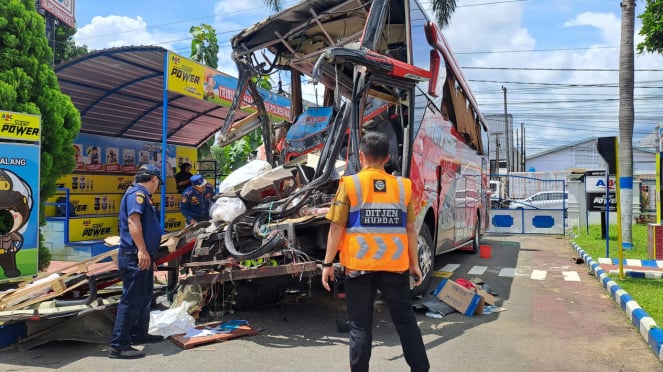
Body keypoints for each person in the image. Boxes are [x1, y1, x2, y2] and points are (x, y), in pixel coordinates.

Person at [321, 132, 430, 372]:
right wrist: (415, 263)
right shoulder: (403, 187)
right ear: (388, 158)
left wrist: (327, 264)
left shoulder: (350, 185)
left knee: (360, 326)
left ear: (361, 156)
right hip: (395, 267)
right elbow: (410, 229)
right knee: (406, 322)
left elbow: (337, 226)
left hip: (360, 268)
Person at [108, 164, 165, 359]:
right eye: (158, 183)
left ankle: (139, 334)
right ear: (154, 179)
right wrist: (141, 250)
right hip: (134, 255)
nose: (157, 186)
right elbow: (133, 222)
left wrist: (149, 254)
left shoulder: (142, 195)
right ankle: (119, 345)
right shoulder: (137, 195)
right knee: (131, 300)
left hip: (142, 255)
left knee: (145, 295)